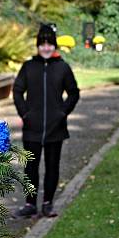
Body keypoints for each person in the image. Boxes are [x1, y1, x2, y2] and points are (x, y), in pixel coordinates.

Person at [13, 23, 80, 218]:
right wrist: (24, 114)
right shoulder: (28, 67)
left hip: (55, 128)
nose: (46, 47)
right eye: (42, 44)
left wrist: (62, 113)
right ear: (37, 45)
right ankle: (30, 204)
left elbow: (74, 93)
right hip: (32, 128)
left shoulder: (63, 68)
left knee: (52, 167)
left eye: (49, 43)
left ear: (55, 45)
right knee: (30, 168)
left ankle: (48, 203)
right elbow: (17, 91)